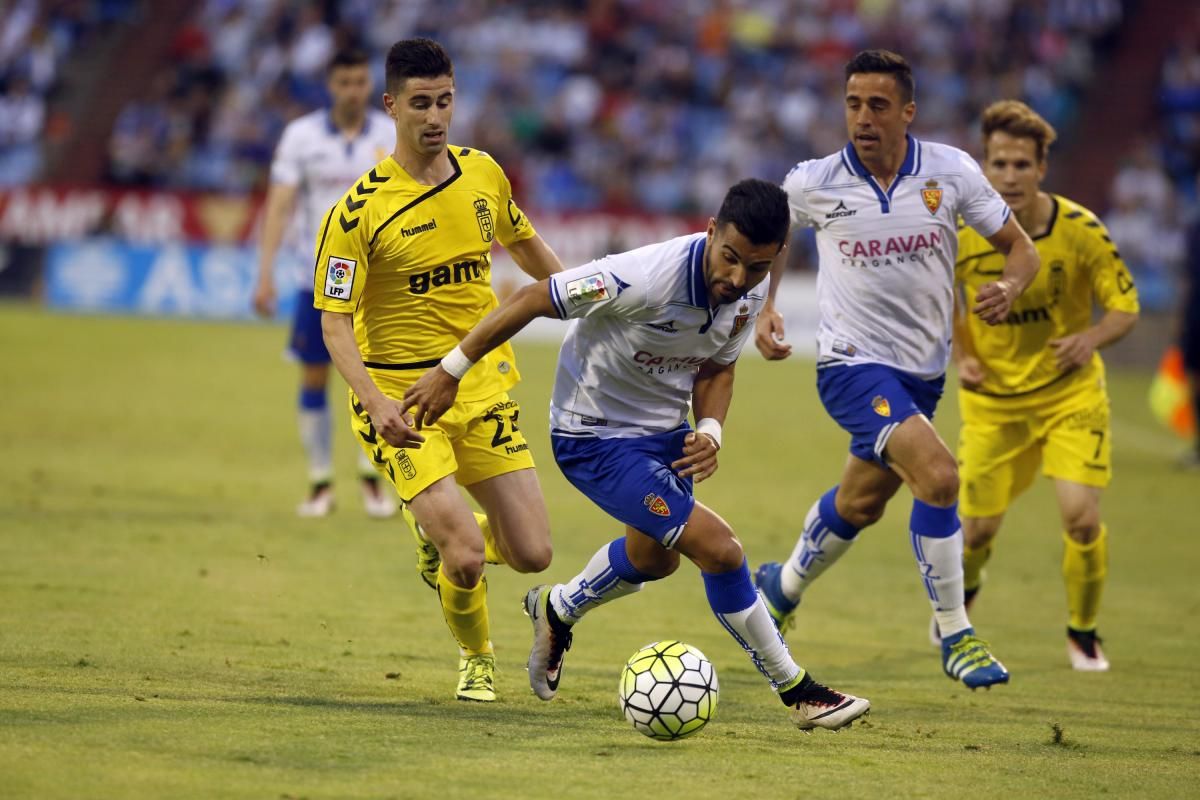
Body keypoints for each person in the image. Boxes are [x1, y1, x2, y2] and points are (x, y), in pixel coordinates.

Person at [404, 179, 871, 732]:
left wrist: (712, 430)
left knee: (655, 559)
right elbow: (533, 297)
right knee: (720, 550)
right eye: (730, 258)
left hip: (666, 438)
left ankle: (557, 608)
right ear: (711, 232)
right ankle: (798, 692)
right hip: (594, 438)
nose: (738, 278)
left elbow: (718, 367)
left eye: (757, 268)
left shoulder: (744, 291)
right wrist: (450, 372)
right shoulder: (642, 276)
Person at [752, 50, 1040, 690]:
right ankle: (956, 632)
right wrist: (767, 306)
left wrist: (1013, 287)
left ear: (907, 112)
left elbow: (1020, 249)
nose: (863, 117)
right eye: (853, 103)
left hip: (921, 375)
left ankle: (780, 588)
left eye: (878, 105)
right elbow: (771, 229)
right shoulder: (814, 180)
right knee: (938, 478)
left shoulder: (951, 172)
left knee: (860, 502)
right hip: (850, 365)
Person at [313, 38, 565, 702]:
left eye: (445, 101)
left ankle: (443, 533)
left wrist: (586, 297)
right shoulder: (358, 211)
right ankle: (477, 656)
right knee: (466, 555)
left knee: (535, 552)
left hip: (479, 388)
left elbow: (526, 246)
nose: (435, 117)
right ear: (391, 106)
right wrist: (371, 400)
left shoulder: (483, 174)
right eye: (420, 104)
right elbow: (334, 320)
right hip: (401, 400)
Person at [946, 100, 1140, 670]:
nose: (1010, 176)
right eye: (999, 164)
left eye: (1021, 165)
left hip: (1068, 396)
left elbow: (1125, 307)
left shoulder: (1081, 231)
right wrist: (963, 355)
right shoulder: (959, 234)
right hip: (992, 406)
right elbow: (937, 301)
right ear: (984, 167)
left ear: (1041, 169)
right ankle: (966, 600)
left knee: (1081, 518)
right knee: (976, 530)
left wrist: (1092, 338)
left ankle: (1083, 632)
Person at [253, 48, 398, 518]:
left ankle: (373, 477)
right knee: (314, 376)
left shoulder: (389, 133)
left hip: (379, 281)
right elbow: (279, 205)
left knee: (378, 379)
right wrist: (264, 273)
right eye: (344, 83)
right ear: (330, 86)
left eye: (359, 82)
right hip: (316, 278)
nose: (352, 91)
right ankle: (320, 482)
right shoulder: (301, 136)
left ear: (369, 86)